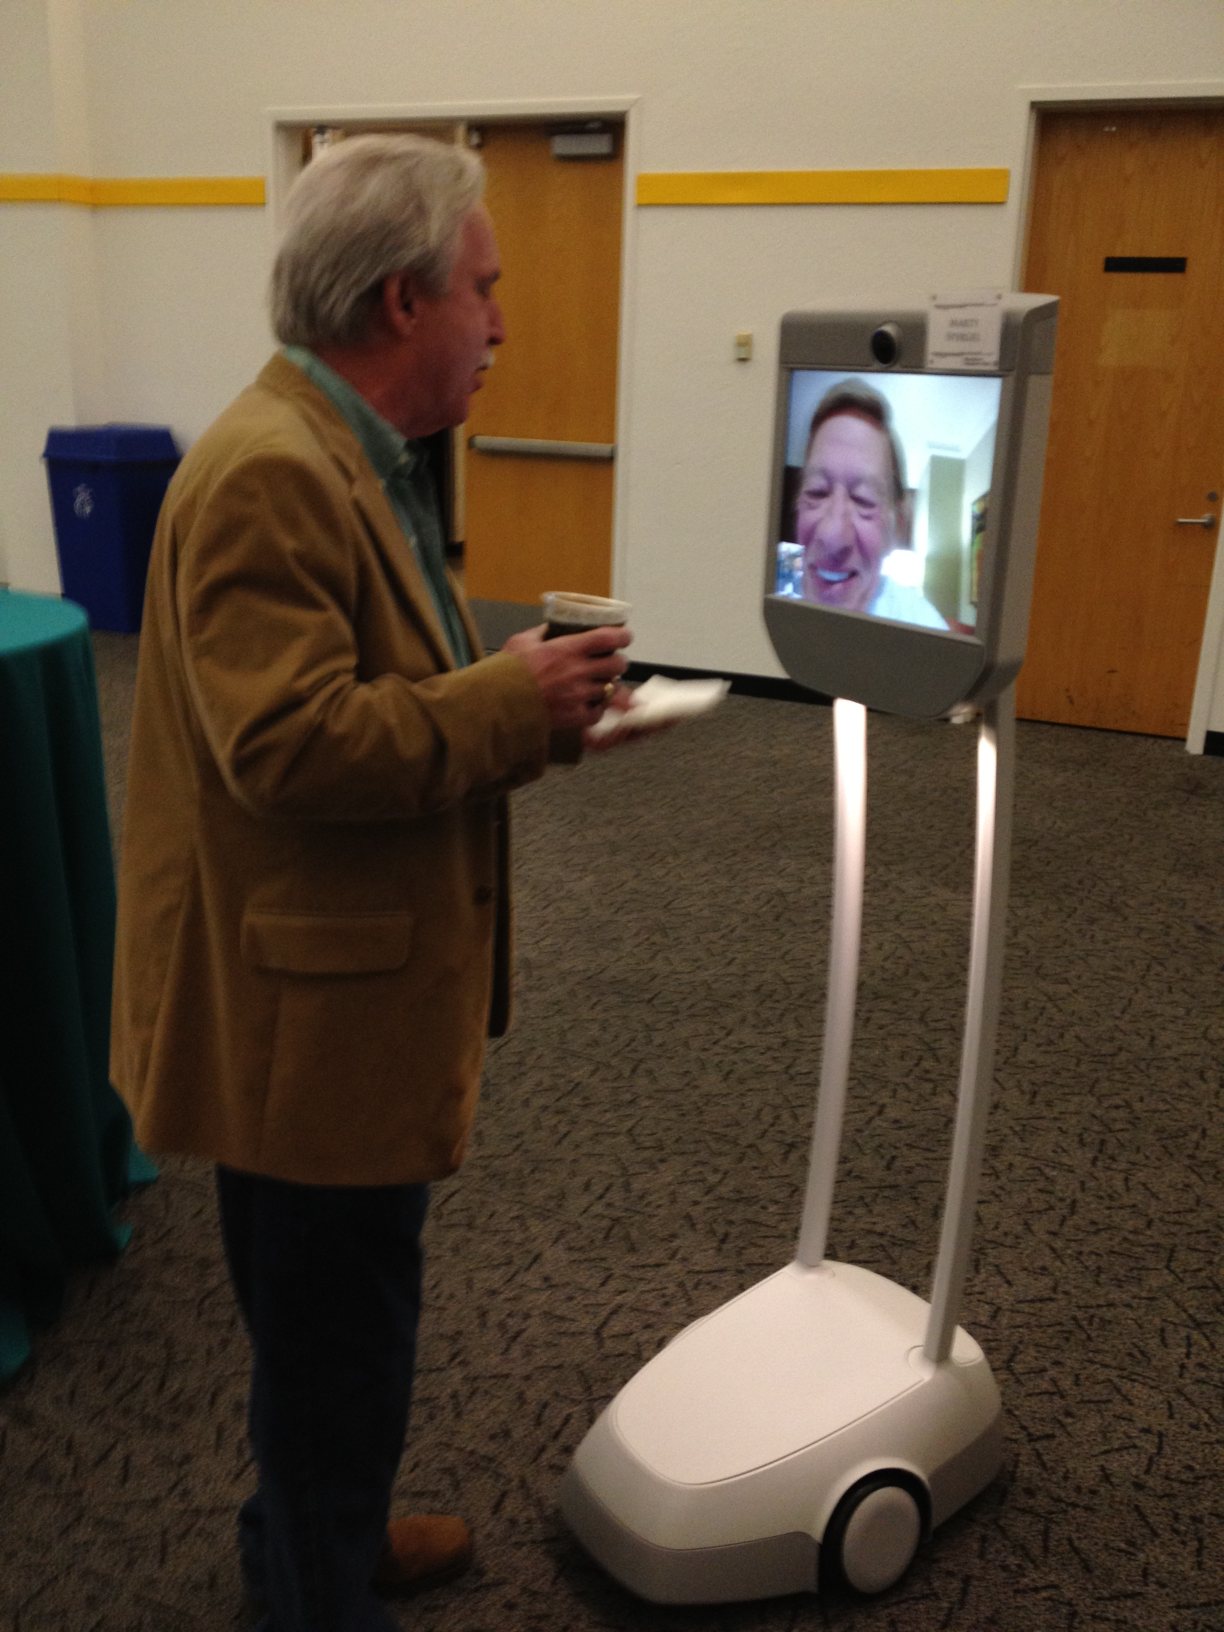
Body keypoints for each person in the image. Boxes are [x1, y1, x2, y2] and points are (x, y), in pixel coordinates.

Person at [110, 134, 641, 1632]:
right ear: (402, 299)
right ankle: (316, 1587)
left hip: (325, 998)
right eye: (483, 288)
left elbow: (358, 687)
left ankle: (309, 1538)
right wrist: (501, 707)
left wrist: (517, 708)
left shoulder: (348, 448)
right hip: (305, 1024)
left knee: (329, 1327)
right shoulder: (272, 472)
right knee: (336, 1337)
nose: (501, 322)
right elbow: (284, 745)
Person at [796, 379, 949, 629]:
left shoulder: (925, 638)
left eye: (863, 500)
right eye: (817, 492)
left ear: (897, 527)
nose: (832, 535)